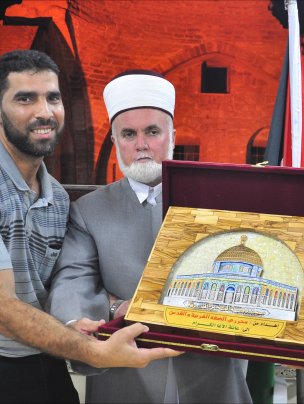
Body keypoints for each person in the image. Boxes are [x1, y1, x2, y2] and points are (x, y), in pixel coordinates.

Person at [0, 50, 180, 404]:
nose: (43, 112)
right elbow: (0, 311)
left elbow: (62, 282)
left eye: (52, 98)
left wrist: (87, 316)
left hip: (47, 363)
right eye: (25, 99)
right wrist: (91, 350)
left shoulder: (56, 196)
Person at [46, 70, 252, 403]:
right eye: (128, 134)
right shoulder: (88, 211)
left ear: (173, 136)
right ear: (115, 141)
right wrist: (86, 318)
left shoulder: (220, 201)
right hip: (125, 372)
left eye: (152, 132)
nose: (141, 144)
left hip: (209, 369)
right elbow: (74, 279)